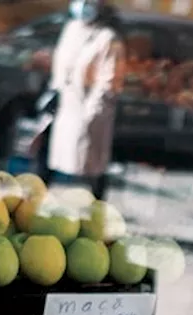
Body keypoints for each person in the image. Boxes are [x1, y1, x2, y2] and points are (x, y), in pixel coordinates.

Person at [46, 0, 124, 199]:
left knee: (92, 161)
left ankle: (97, 205)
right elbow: (61, 62)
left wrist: (94, 110)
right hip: (67, 104)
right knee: (56, 155)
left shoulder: (108, 38)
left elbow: (108, 79)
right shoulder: (71, 29)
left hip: (89, 106)